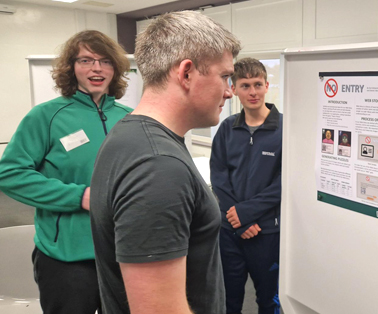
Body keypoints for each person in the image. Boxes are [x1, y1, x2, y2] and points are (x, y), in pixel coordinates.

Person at [89, 11, 241, 314]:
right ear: (186, 73)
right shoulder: (157, 165)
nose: (229, 91)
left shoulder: (131, 136)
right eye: (225, 76)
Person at [0, 30, 131, 314]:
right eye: (86, 60)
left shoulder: (131, 118)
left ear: (116, 68)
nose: (96, 68)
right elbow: (10, 174)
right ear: (72, 68)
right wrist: (79, 196)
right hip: (67, 258)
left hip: (124, 254)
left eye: (105, 61)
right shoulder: (46, 116)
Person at [210, 57, 282, 314]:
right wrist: (236, 219)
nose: (253, 92)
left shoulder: (285, 129)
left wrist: (247, 213)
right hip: (230, 233)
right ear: (234, 89)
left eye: (258, 84)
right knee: (228, 300)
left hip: (267, 234)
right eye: (245, 86)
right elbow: (218, 177)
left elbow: (284, 183)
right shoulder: (227, 129)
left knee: (268, 300)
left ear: (266, 85)